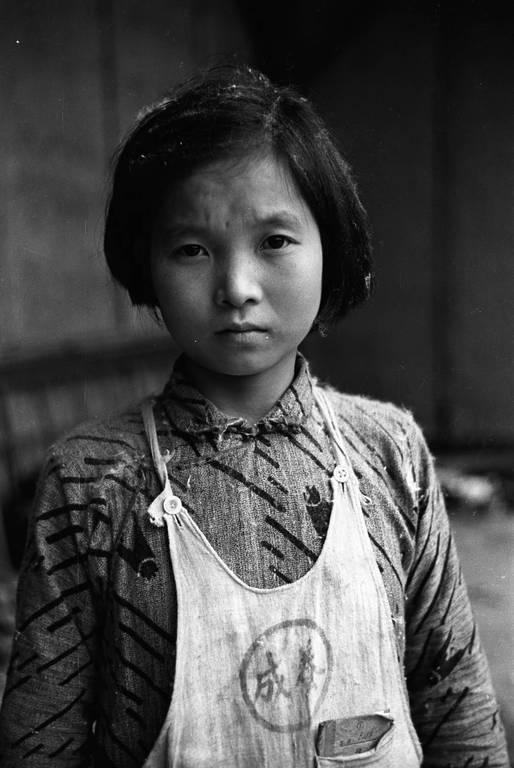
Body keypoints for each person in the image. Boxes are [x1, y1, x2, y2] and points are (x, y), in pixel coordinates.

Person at [0, 63, 509, 768]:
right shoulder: (90, 482)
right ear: (146, 264)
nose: (236, 287)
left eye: (274, 241)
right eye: (191, 249)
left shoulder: (393, 453)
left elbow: (455, 702)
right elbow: (39, 744)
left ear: (331, 247)